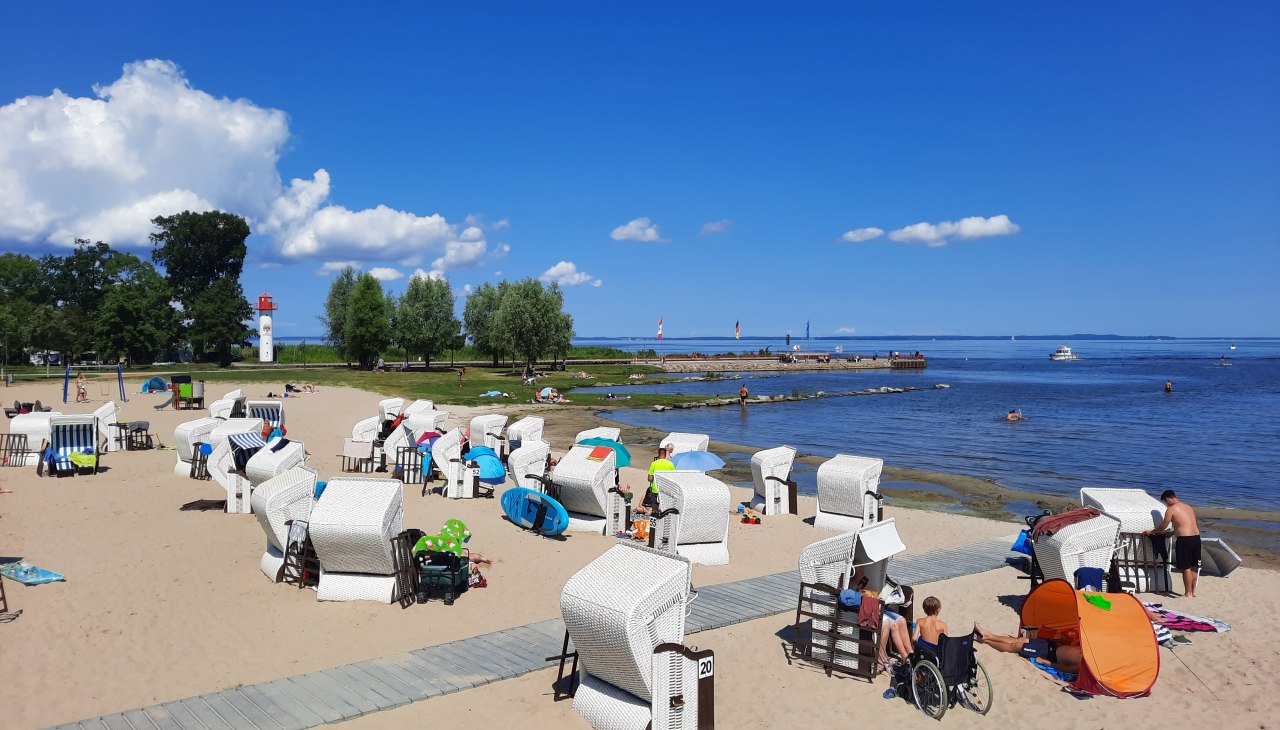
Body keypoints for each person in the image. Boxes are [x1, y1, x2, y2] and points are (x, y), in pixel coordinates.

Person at [1145, 489, 1200, 598]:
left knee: (1186, 567)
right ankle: (1193, 592)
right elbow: (1186, 524)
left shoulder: (1171, 509)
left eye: (1165, 502)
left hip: (1184, 540)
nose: (1166, 504)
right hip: (1196, 538)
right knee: (1194, 566)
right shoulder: (1188, 507)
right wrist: (1172, 533)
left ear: (1168, 498)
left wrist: (1152, 532)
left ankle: (1188, 592)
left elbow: (1163, 525)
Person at [974, 624, 1083, 674]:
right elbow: (1071, 646)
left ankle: (985, 640)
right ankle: (989, 635)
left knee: (1016, 646)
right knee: (1021, 640)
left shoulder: (1083, 665)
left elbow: (1066, 669)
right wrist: (1074, 640)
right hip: (1051, 645)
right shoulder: (1087, 650)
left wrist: (1046, 662)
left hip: (1048, 654)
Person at [642, 446, 675, 514]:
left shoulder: (654, 464)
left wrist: (656, 477)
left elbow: (649, 478)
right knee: (666, 508)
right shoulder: (670, 464)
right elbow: (674, 477)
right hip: (667, 490)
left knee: (655, 507)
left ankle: (655, 519)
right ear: (665, 454)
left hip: (656, 489)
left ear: (658, 454)